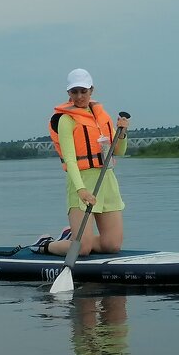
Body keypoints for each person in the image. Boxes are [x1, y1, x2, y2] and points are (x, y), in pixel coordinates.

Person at [33, 68, 130, 257]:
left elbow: (119, 151)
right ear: (68, 93)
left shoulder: (103, 117)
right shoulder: (66, 120)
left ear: (91, 90)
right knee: (82, 249)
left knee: (112, 245)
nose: (79, 96)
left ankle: (72, 236)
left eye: (83, 91)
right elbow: (70, 160)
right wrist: (81, 190)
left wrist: (123, 133)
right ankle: (45, 244)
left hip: (106, 182)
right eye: (74, 92)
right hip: (81, 184)